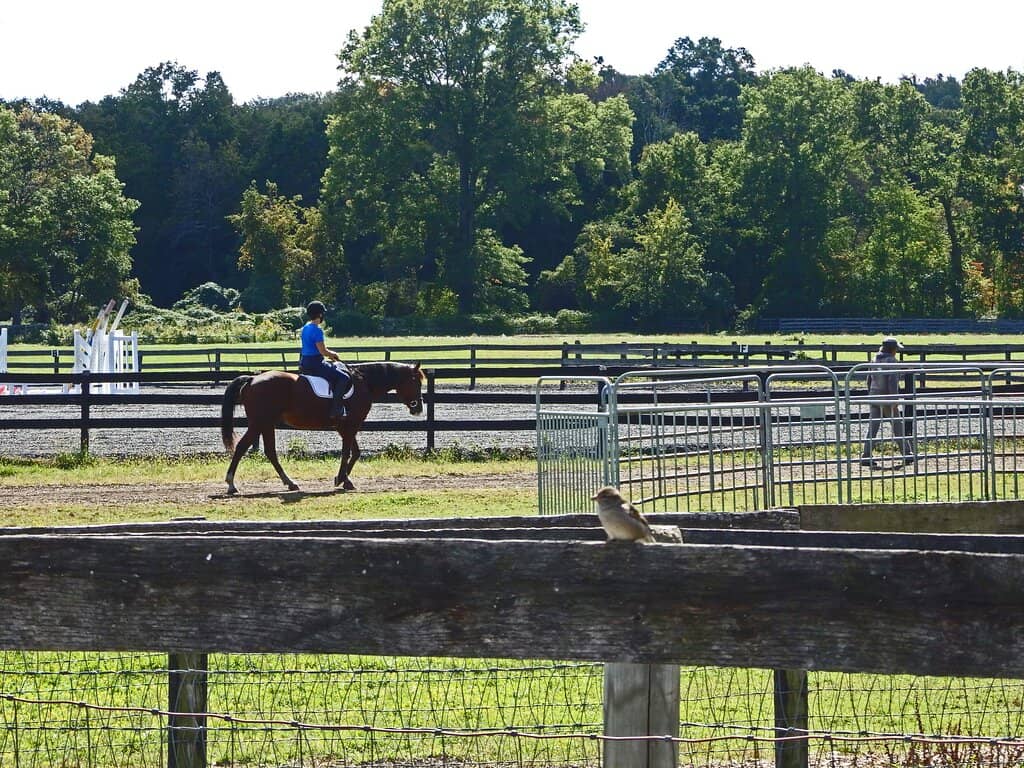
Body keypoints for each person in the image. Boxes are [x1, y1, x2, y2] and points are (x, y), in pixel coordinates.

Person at [860, 336, 914, 468]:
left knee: (873, 426)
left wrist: (870, 394)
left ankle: (866, 455)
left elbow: (869, 379)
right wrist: (894, 398)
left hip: (874, 395)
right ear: (892, 349)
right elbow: (892, 382)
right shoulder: (892, 361)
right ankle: (907, 454)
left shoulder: (874, 359)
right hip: (886, 396)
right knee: (897, 425)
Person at [298, 301, 352, 420]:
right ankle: (336, 409)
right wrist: (333, 354)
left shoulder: (305, 327)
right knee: (344, 378)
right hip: (315, 364)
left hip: (304, 362)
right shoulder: (317, 330)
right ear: (320, 315)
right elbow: (322, 351)